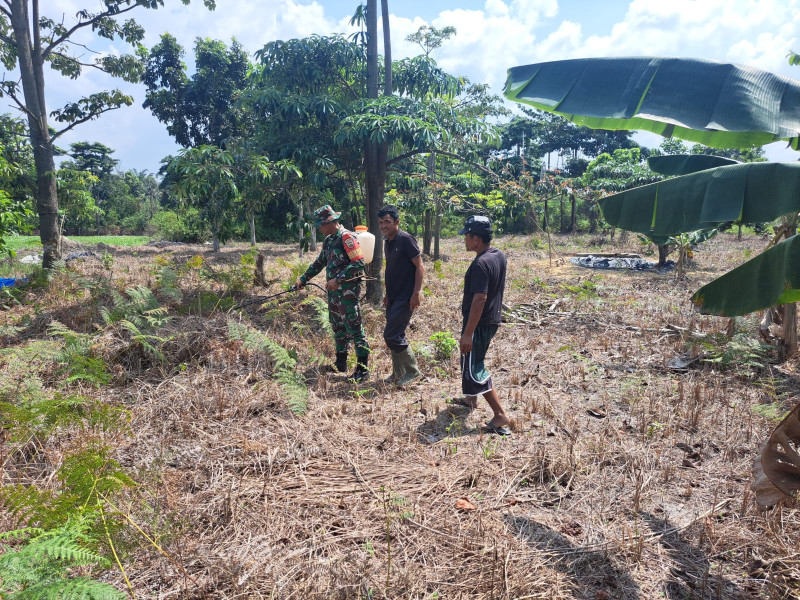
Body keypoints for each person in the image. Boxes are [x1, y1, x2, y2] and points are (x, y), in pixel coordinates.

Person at [295, 205, 370, 382]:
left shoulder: (347, 237)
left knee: (354, 327)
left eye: (321, 224)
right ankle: (341, 362)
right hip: (334, 294)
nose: (319, 228)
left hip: (347, 292)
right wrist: (303, 279)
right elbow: (319, 262)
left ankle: (363, 368)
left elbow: (359, 262)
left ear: (330, 222)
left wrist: (338, 280)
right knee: (338, 327)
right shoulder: (329, 241)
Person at [452, 215, 511, 436]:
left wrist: (468, 333)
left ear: (476, 238)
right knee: (474, 360)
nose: (464, 240)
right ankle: (470, 399)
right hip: (490, 320)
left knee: (474, 369)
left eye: (467, 236)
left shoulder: (481, 264)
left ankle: (500, 414)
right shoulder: (497, 255)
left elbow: (480, 298)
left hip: (479, 323)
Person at [378, 205, 424, 386]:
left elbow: (419, 266)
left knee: (392, 335)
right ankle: (398, 373)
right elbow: (391, 269)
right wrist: (388, 294)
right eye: (381, 223)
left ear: (397, 222)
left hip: (406, 296)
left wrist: (416, 293)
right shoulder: (387, 241)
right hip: (393, 296)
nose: (383, 226)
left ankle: (413, 371)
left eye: (387, 222)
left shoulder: (406, 240)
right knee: (395, 334)